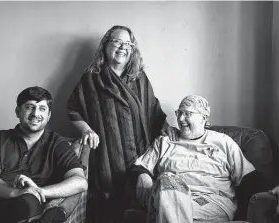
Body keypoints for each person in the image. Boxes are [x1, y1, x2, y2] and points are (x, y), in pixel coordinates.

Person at [67, 25, 175, 222]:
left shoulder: (140, 78)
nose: (123, 47)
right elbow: (73, 108)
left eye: (128, 43)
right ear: (106, 45)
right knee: (107, 210)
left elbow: (154, 111)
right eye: (117, 41)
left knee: (137, 207)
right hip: (106, 155)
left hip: (139, 155)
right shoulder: (91, 78)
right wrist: (87, 130)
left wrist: (166, 133)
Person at [131, 95, 255, 223]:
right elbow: (140, 166)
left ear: (203, 118)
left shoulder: (223, 142)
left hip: (210, 202)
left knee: (168, 209)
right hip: (169, 197)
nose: (180, 119)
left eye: (187, 114)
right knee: (167, 181)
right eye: (179, 113)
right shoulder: (165, 142)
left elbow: (248, 178)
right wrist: (143, 176)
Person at [0, 86, 88, 223]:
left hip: (31, 209)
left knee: (29, 202)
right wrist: (16, 192)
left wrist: (37, 191)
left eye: (42, 109)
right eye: (30, 107)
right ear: (18, 111)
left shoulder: (58, 144)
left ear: (48, 116)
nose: (36, 114)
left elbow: (80, 182)